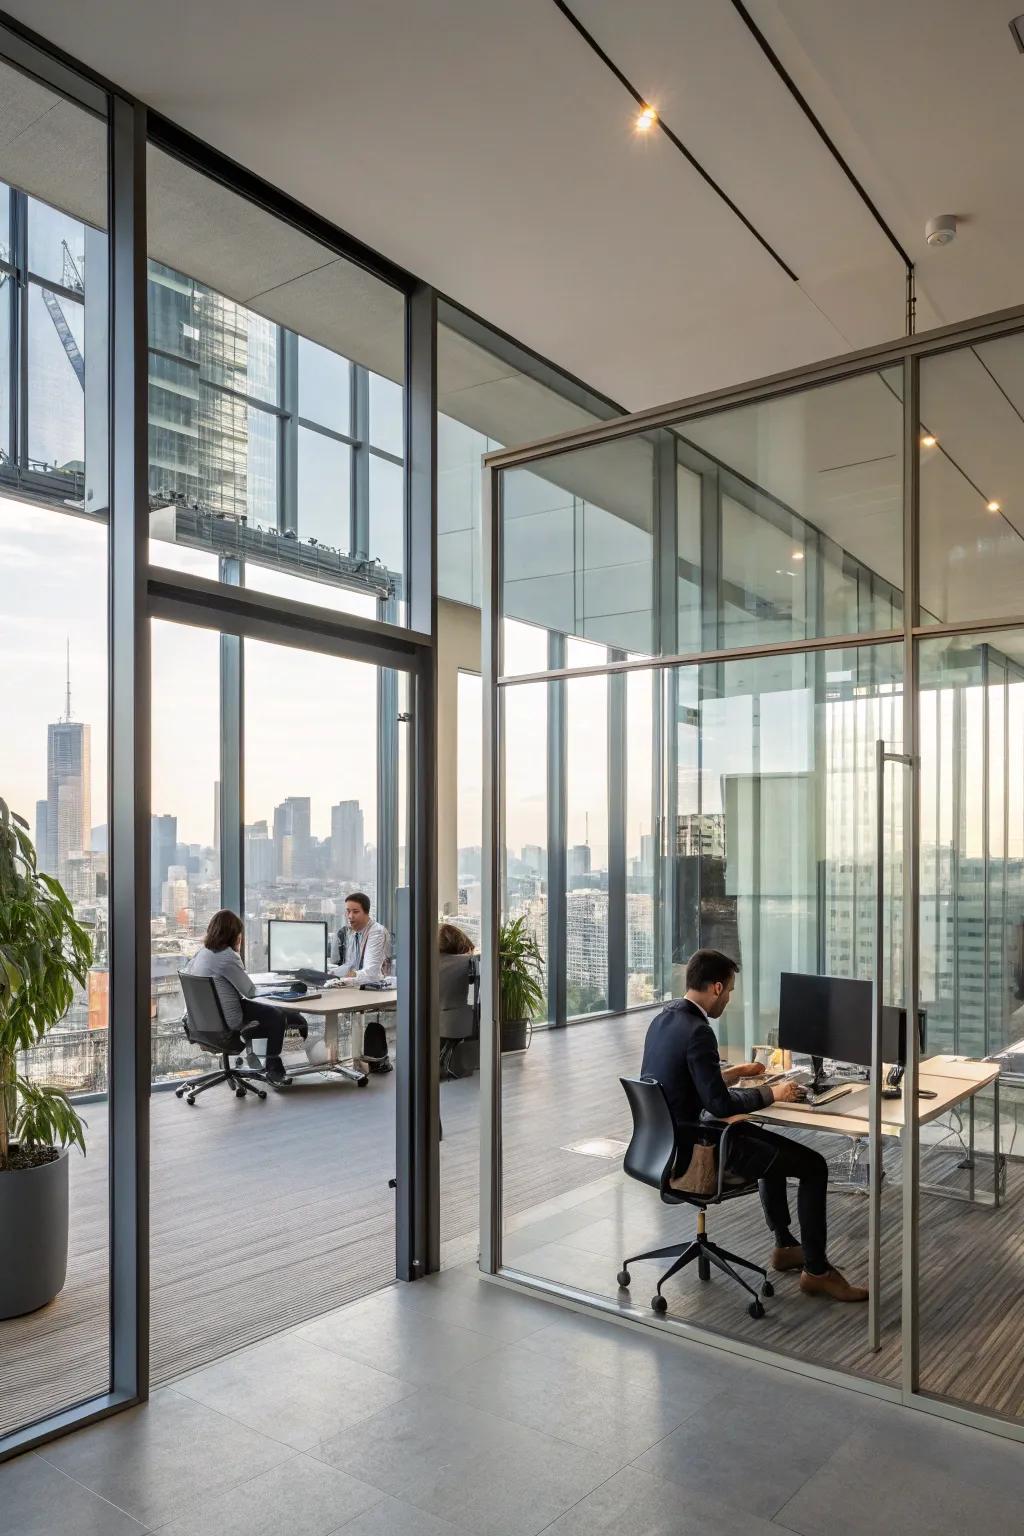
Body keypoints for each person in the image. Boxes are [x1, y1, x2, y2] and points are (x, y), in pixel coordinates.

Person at [640, 948, 868, 1303]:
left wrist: (733, 1073)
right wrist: (773, 1092)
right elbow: (718, 1104)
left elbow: (689, 1083)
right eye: (729, 991)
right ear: (716, 988)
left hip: (668, 1146)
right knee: (813, 1166)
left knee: (767, 1145)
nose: (729, 999)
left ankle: (786, 1246)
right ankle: (818, 1272)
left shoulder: (664, 1020)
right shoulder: (699, 1031)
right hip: (701, 1152)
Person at [186, 909, 292, 1086]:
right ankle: (274, 1069)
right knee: (277, 1016)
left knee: (274, 1014)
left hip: (199, 1024)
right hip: (227, 1022)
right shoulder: (227, 956)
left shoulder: (201, 954)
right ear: (233, 935)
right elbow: (250, 991)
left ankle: (253, 1044)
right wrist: (277, 988)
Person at [331, 893, 393, 1070]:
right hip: (357, 987)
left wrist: (343, 979)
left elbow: (371, 973)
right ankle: (343, 1059)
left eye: (355, 912)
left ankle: (357, 1060)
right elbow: (351, 966)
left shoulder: (377, 932)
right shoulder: (352, 933)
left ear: (366, 912)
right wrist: (334, 974)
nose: (350, 916)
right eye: (348, 911)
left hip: (374, 990)